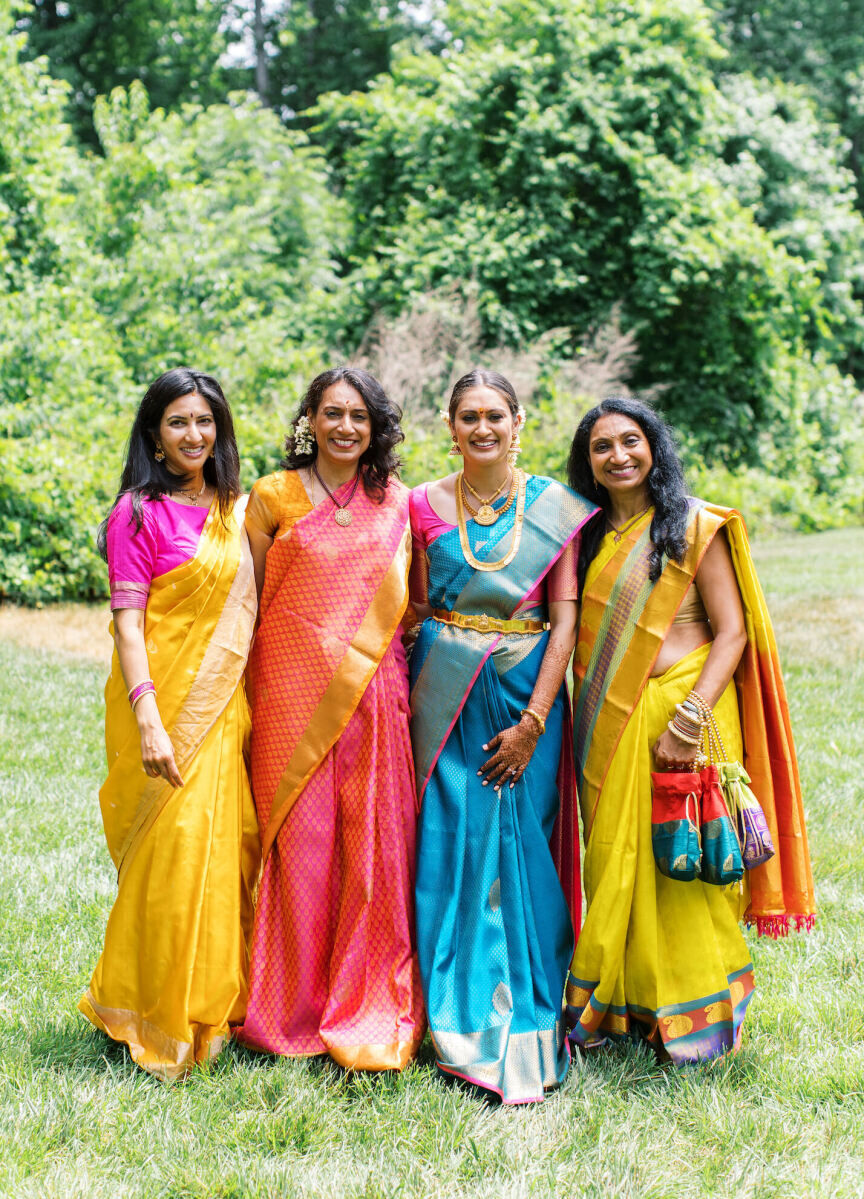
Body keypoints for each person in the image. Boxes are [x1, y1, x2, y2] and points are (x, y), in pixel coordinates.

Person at [564, 396, 816, 1063]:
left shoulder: (691, 526)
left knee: (683, 863)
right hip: (609, 723)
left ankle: (698, 1016)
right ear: (586, 462)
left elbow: (731, 631)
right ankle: (625, 1005)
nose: (618, 456)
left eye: (631, 440)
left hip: (688, 709)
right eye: (602, 447)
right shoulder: (585, 535)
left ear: (654, 446)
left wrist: (689, 717)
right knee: (616, 857)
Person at [408, 369, 597, 1104]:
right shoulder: (421, 504)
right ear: (449, 426)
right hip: (444, 691)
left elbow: (567, 619)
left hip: (528, 695)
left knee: (521, 839)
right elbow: (417, 601)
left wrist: (534, 721)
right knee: (450, 837)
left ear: (519, 421)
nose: (483, 427)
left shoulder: (554, 507)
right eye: (468, 416)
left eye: (495, 415)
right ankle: (453, 1005)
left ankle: (529, 1006)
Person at [234, 367, 424, 1070]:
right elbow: (246, 601)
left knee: (373, 846)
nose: (346, 427)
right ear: (308, 419)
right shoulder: (271, 496)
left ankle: (367, 1001)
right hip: (286, 693)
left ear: (376, 428)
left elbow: (419, 605)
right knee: (302, 844)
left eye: (360, 416)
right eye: (333, 412)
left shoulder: (402, 503)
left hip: (375, 694)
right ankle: (288, 1007)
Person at [79, 368, 259, 1079]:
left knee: (224, 852)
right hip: (163, 708)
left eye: (206, 421)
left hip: (226, 710)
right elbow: (128, 629)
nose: (194, 435)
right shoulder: (138, 513)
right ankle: (146, 1004)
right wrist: (149, 717)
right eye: (179, 422)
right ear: (155, 433)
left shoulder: (239, 512)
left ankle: (214, 1008)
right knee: (172, 852)